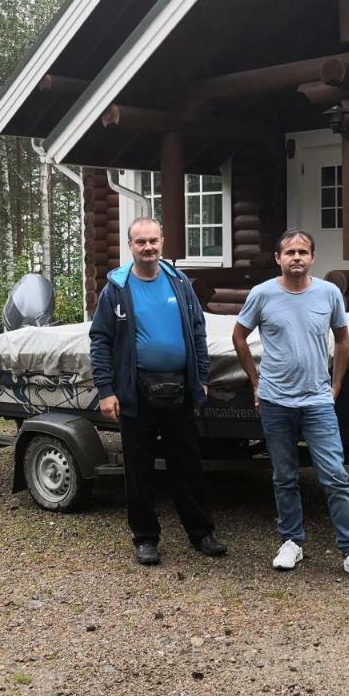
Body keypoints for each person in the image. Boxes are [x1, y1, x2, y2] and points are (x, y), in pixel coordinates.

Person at [231, 228, 349, 583]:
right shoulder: (262, 294)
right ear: (278, 258)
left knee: (335, 476)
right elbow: (239, 336)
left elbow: (342, 339)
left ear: (312, 258)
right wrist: (255, 381)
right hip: (276, 401)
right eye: (290, 252)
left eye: (303, 252)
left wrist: (336, 385)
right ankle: (292, 541)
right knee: (284, 477)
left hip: (317, 401)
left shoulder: (328, 294)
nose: (297, 257)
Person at [89, 217, 227, 566]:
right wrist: (106, 390)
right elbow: (100, 341)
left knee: (188, 466)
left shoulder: (180, 283)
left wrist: (202, 378)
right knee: (139, 470)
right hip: (136, 393)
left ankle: (201, 533)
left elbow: (198, 332)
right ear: (130, 245)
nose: (148, 247)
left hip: (179, 390)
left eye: (153, 241)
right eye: (140, 242)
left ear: (162, 242)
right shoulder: (116, 289)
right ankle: (145, 538)